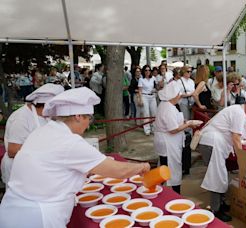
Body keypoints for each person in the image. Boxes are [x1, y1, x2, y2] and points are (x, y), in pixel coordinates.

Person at [0, 87, 151, 228]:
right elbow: (118, 171)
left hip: (13, 208)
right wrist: (142, 167)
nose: (88, 126)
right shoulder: (69, 141)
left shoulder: (45, 131)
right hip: (38, 216)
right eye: (88, 119)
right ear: (78, 116)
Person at [197, 92, 246, 222]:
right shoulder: (239, 114)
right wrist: (242, 160)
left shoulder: (238, 110)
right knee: (217, 177)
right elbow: (236, 138)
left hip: (212, 143)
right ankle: (216, 209)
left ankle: (220, 204)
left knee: (220, 175)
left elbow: (238, 126)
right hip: (212, 144)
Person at [0, 84, 65, 185]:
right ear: (47, 106)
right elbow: (12, 151)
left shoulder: (46, 116)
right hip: (20, 168)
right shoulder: (21, 118)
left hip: (38, 165)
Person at [154, 82, 201, 194]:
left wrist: (186, 122)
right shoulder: (168, 108)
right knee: (171, 167)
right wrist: (189, 123)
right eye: (178, 94)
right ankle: (174, 193)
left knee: (165, 166)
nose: (179, 96)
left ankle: (156, 189)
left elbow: (176, 121)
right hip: (168, 142)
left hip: (169, 141)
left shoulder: (168, 105)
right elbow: (173, 129)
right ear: (173, 95)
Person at [138, 65, 158, 135]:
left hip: (152, 97)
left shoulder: (153, 78)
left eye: (149, 70)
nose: (147, 72)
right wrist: (140, 99)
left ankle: (153, 128)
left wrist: (155, 90)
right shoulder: (141, 79)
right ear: (144, 71)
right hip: (145, 96)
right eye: (146, 70)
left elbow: (156, 87)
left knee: (154, 113)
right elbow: (140, 90)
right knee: (146, 113)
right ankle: (147, 129)